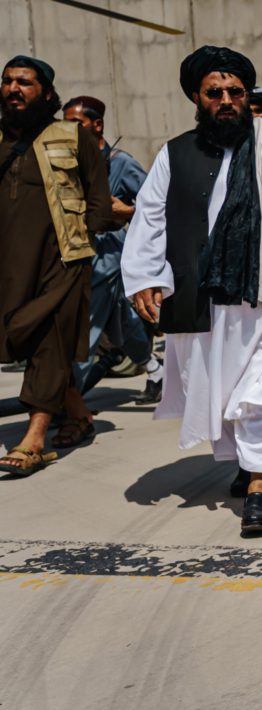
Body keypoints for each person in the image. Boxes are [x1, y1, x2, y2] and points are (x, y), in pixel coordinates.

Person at [122, 46, 262, 535]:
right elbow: (150, 218)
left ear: (247, 95)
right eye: (215, 93)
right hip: (202, 299)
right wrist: (144, 277)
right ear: (197, 98)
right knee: (219, 395)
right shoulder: (175, 154)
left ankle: (260, 488)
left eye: (235, 92)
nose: (226, 100)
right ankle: (248, 459)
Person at [0, 56, 114, 475]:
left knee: (50, 341)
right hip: (9, 267)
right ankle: (78, 413)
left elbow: (99, 201)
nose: (14, 89)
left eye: (24, 82)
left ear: (46, 93)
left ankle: (33, 439)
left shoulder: (71, 136)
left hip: (62, 260)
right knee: (22, 335)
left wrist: (83, 242)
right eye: (7, 81)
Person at [61, 97, 154, 400]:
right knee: (121, 324)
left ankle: (67, 403)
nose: (68, 131)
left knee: (84, 327)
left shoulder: (121, 163)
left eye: (76, 124)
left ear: (97, 125)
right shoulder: (68, 163)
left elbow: (157, 207)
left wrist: (126, 211)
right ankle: (157, 371)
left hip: (108, 255)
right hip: (76, 253)